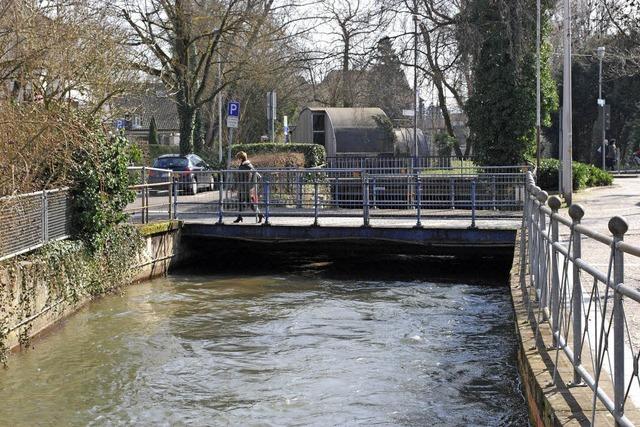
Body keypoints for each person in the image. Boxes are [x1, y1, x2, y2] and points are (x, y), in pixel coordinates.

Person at [233, 151, 263, 223]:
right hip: (242, 188)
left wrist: (251, 186)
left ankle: (260, 214)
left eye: (238, 158)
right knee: (240, 202)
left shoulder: (247, 166)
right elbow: (239, 177)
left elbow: (258, 176)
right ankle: (239, 217)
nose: (237, 160)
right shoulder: (244, 165)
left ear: (241, 159)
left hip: (245, 188)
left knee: (250, 204)